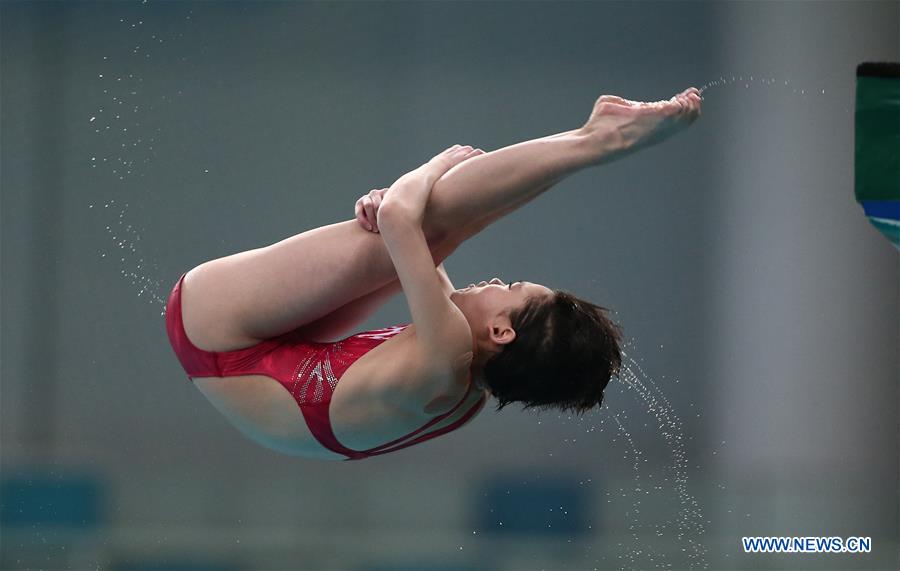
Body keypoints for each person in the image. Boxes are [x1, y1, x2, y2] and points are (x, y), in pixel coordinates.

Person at [165, 87, 702, 461]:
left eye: (509, 290)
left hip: (218, 333)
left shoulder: (447, 349)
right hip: (272, 371)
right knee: (434, 233)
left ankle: (599, 141)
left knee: (434, 218)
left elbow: (404, 216)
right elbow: (413, 237)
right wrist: (397, 209)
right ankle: (591, 139)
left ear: (501, 332)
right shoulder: (464, 388)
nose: (494, 282)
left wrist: (432, 167)